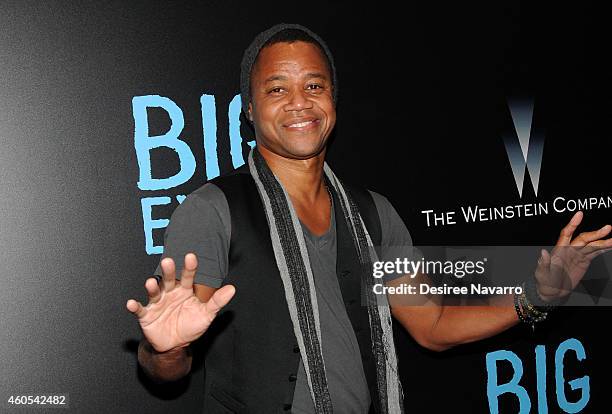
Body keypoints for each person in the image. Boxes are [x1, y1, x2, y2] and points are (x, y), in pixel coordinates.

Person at [126, 23, 612, 413]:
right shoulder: (212, 209)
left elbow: (433, 324)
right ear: (250, 110)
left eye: (314, 85)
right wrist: (166, 350)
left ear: (333, 100)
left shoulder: (373, 213)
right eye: (277, 89)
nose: (300, 102)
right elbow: (167, 368)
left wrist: (535, 295)